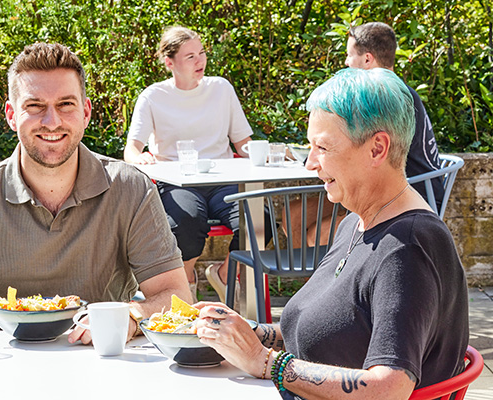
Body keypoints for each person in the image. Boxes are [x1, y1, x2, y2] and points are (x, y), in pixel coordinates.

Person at [0, 42, 190, 344]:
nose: (51, 121)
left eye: (66, 105)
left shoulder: (130, 188)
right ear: (12, 115)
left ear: (86, 112)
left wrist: (130, 317)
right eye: (35, 106)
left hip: (99, 356)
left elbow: (174, 297)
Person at [192, 68, 468, 400]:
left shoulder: (407, 247)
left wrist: (265, 362)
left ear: (377, 148)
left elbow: (389, 387)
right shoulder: (356, 222)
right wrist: (248, 332)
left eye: (322, 147)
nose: (310, 163)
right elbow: (328, 330)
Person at [283, 21, 446, 248]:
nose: (346, 62)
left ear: (368, 59)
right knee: (292, 215)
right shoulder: (381, 94)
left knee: (315, 235)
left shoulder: (389, 98)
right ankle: (328, 277)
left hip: (405, 192)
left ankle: (340, 276)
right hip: (371, 183)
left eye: (350, 55)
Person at [122, 26, 253, 299]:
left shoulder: (221, 89)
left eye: (202, 53)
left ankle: (225, 274)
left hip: (222, 180)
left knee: (258, 221)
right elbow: (131, 150)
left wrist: (269, 152)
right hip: (178, 183)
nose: (200, 61)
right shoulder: (153, 96)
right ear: (170, 63)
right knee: (185, 223)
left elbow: (243, 144)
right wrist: (141, 157)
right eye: (191, 56)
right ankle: (186, 284)